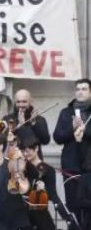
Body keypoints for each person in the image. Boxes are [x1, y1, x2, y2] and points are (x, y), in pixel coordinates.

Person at [54, 78, 91, 227]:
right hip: (71, 166)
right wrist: (72, 128)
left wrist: (85, 130)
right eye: (78, 89)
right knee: (72, 205)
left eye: (84, 89)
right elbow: (57, 137)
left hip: (89, 168)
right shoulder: (66, 112)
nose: (80, 92)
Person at [21, 137, 74, 230]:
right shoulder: (22, 167)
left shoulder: (48, 170)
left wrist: (66, 216)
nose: (25, 154)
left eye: (28, 151)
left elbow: (53, 194)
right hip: (23, 214)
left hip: (39, 212)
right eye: (23, 151)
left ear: (36, 148)